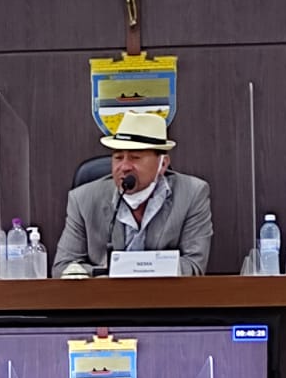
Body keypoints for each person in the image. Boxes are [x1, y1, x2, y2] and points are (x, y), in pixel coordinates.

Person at [52, 109, 212, 277]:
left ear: (163, 164)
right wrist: (110, 274)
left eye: (135, 157)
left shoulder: (192, 193)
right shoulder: (82, 199)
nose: (125, 167)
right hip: (104, 293)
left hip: (165, 293)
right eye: (118, 158)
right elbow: (63, 267)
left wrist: (130, 269)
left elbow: (194, 266)